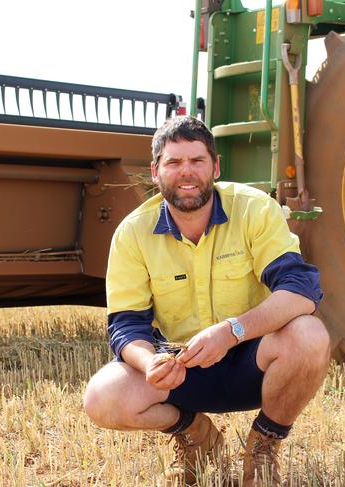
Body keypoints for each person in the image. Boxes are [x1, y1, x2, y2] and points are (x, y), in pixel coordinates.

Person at [83, 116, 331, 486]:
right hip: (182, 370)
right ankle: (195, 435)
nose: (187, 173)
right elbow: (125, 325)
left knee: (310, 336)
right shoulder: (132, 234)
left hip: (254, 358)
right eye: (174, 162)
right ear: (155, 171)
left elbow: (300, 289)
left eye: (197, 161)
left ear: (215, 167)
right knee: (101, 397)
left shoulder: (254, 209)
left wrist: (233, 331)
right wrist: (151, 362)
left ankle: (263, 445)